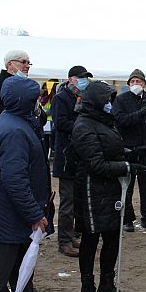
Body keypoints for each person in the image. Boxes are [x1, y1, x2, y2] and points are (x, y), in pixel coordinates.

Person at [0, 76, 51, 292]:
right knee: (5, 257)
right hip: (7, 208)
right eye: (36, 99)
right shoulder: (14, 130)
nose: (39, 104)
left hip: (13, 207)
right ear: (25, 101)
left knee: (21, 253)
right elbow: (14, 179)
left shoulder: (16, 120)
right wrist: (34, 213)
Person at [72, 81, 141, 292]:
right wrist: (127, 167)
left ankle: (107, 284)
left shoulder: (106, 122)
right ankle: (87, 287)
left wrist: (130, 153)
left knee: (112, 238)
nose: (110, 105)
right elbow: (95, 164)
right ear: (96, 101)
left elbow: (110, 149)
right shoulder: (83, 125)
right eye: (107, 100)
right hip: (91, 192)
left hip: (111, 191)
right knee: (91, 240)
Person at [0, 50, 33, 271]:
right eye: (24, 62)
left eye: (29, 63)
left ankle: (16, 246)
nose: (27, 66)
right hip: (3, 146)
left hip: (23, 149)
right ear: (10, 64)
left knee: (18, 198)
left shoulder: (28, 87)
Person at [113, 69, 146, 232]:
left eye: (139, 81)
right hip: (128, 148)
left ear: (144, 83)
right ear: (128, 84)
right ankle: (127, 219)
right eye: (133, 82)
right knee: (127, 185)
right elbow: (119, 120)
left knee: (145, 184)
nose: (136, 84)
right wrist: (137, 115)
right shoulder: (121, 100)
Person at [52, 66, 93, 257]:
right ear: (71, 79)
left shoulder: (83, 98)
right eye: (81, 78)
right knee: (67, 202)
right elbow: (60, 124)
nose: (84, 81)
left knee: (77, 200)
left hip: (79, 156)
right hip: (66, 156)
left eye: (86, 78)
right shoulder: (61, 98)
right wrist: (81, 126)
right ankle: (64, 241)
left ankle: (70, 235)